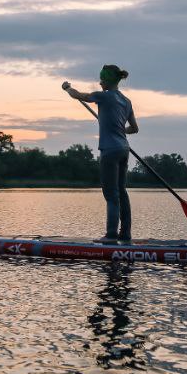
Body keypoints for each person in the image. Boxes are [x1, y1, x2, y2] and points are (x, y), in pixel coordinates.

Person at [63, 65, 139, 243]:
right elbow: (134, 129)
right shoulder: (126, 101)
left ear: (107, 81)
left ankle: (111, 235)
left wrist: (67, 88)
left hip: (109, 150)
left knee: (111, 194)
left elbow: (78, 95)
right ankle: (125, 234)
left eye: (101, 79)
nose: (99, 82)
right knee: (122, 192)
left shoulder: (103, 96)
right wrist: (119, 129)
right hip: (124, 149)